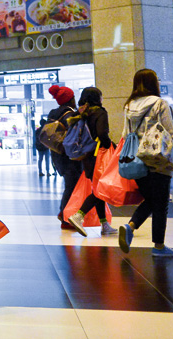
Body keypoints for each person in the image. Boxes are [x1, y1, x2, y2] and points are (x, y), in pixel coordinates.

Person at [118, 69, 173, 258]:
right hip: (159, 158)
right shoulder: (159, 103)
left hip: (137, 160)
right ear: (153, 83)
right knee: (161, 203)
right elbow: (171, 132)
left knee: (151, 199)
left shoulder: (129, 105)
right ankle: (158, 246)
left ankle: (130, 226)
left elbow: (125, 134)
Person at [65, 87, 115, 237]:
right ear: (97, 98)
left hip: (86, 157)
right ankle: (78, 216)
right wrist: (110, 145)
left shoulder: (81, 113)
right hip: (98, 156)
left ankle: (104, 224)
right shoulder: (100, 112)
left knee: (97, 189)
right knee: (99, 191)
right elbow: (102, 133)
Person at [46, 85, 80, 228]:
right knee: (71, 186)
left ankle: (64, 214)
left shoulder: (53, 113)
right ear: (71, 99)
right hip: (69, 155)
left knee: (69, 185)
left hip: (57, 154)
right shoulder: (70, 114)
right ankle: (65, 217)